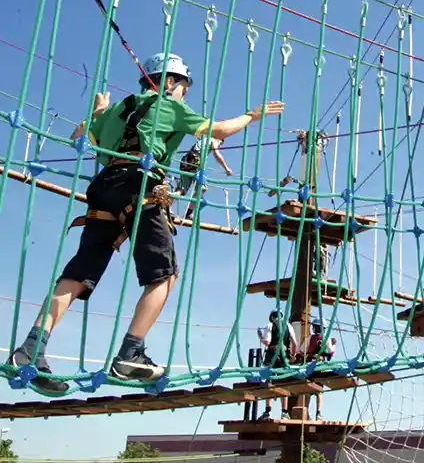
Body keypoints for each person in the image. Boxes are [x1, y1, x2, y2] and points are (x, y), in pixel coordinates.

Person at [10, 52, 284, 396]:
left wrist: (98, 110)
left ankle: (30, 349)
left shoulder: (116, 108)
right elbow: (220, 130)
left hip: (103, 187)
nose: (184, 93)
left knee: (77, 275)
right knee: (164, 275)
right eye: (183, 86)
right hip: (139, 186)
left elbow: (78, 135)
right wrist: (251, 115)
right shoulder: (168, 104)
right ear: (171, 82)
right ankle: (130, 354)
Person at [176, 136, 233, 220]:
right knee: (202, 188)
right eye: (220, 143)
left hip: (186, 160)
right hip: (196, 161)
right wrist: (227, 168)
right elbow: (217, 155)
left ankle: (166, 207)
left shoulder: (204, 139)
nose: (220, 146)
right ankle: (189, 212)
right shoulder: (213, 140)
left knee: (181, 189)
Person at [258, 310, 299, 421]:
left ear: (272, 317)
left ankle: (268, 411)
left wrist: (260, 337)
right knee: (283, 383)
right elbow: (294, 343)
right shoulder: (288, 326)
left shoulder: (270, 325)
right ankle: (284, 412)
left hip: (272, 355)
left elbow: (267, 341)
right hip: (284, 355)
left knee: (269, 381)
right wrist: (293, 355)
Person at [301, 317, 337, 420]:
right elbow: (331, 352)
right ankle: (318, 413)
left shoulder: (310, 338)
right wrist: (333, 345)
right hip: (320, 366)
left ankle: (306, 413)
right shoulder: (326, 338)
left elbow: (302, 350)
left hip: (310, 366)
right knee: (319, 391)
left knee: (308, 390)